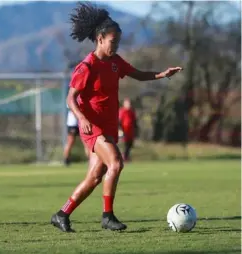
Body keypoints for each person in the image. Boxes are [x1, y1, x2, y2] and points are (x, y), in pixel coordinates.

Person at [50, 3, 182, 232]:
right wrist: (82, 118)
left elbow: (138, 75)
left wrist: (162, 74)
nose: (116, 46)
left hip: (109, 126)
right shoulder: (86, 67)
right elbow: (70, 99)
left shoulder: (115, 62)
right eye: (113, 41)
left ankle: (62, 213)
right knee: (117, 163)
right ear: (100, 38)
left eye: (118, 42)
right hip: (93, 128)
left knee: (94, 177)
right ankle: (107, 216)